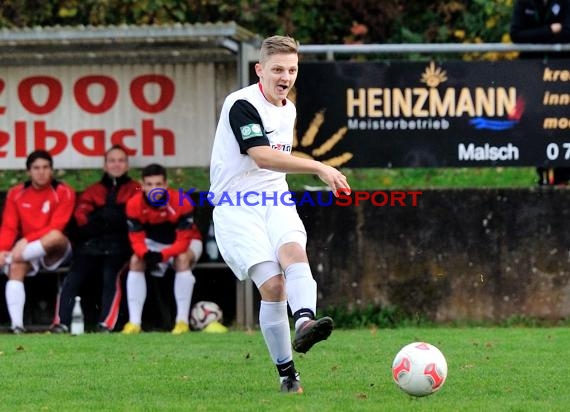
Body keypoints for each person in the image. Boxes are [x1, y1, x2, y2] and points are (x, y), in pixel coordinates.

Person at [209, 35, 351, 393]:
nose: (285, 76)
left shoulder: (288, 108)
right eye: (277, 70)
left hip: (275, 197)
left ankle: (304, 322)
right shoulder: (240, 104)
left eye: (292, 69)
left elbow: (273, 169)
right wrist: (319, 167)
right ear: (260, 70)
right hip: (236, 207)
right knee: (273, 286)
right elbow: (262, 155)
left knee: (294, 253)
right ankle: (288, 374)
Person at [50, 145, 140, 333]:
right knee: (73, 276)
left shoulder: (135, 189)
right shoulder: (93, 190)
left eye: (121, 160)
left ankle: (106, 324)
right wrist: (109, 218)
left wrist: (103, 217)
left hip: (121, 247)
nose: (116, 165)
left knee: (111, 275)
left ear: (127, 165)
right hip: (91, 246)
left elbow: (133, 218)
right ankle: (61, 323)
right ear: (105, 165)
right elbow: (81, 219)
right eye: (112, 160)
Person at [0, 150, 76, 333]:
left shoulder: (64, 192)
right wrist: (2, 249)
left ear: (52, 170)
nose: (41, 172)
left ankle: (9, 258)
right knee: (16, 266)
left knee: (55, 236)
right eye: (36, 168)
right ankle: (17, 326)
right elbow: (9, 226)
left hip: (57, 251)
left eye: (45, 167)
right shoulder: (16, 193)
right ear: (28, 171)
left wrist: (26, 240)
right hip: (29, 252)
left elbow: (57, 225)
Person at [122, 163, 202, 335]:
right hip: (154, 243)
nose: (154, 189)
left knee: (181, 259)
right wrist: (145, 254)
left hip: (188, 242)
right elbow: (136, 239)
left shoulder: (182, 201)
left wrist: (162, 255)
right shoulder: (133, 204)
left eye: (158, 184)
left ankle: (182, 322)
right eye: (149, 185)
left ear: (166, 184)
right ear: (142, 185)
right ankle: (134, 323)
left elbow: (183, 240)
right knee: (135, 260)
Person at [510, 0, 570, 185]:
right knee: (535, 123)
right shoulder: (524, 3)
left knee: (560, 123)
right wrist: (551, 30)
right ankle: (542, 174)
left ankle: (562, 177)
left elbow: (567, 32)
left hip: (560, 74)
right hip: (531, 73)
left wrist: (535, 36)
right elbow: (516, 35)